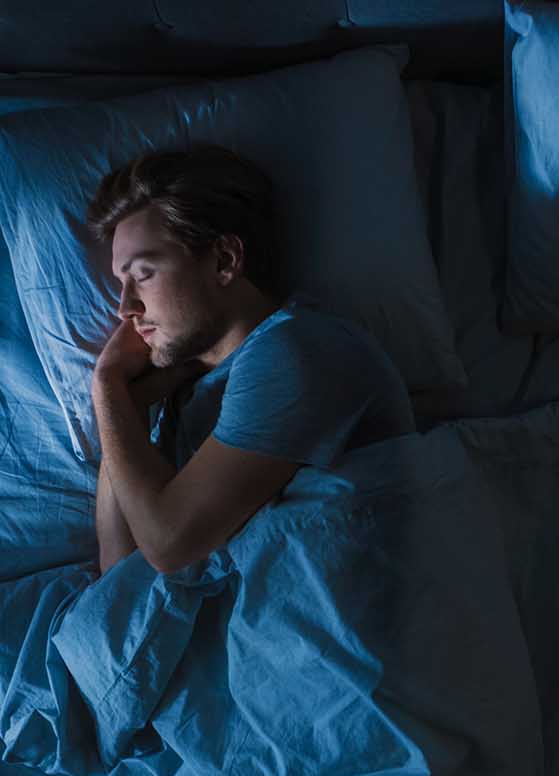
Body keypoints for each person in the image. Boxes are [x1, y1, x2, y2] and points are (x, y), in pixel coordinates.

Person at [85, 146, 416, 576]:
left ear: (224, 260)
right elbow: (119, 576)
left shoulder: (297, 351)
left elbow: (168, 543)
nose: (124, 307)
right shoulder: (184, 394)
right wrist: (129, 406)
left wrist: (107, 388)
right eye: (121, 281)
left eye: (144, 274)